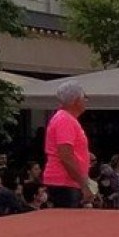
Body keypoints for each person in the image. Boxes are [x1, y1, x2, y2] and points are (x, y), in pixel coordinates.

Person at [41, 81, 93, 209]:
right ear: (76, 100)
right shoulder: (65, 120)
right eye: (84, 97)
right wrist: (83, 185)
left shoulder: (65, 119)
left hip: (66, 181)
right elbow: (66, 155)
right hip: (64, 182)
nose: (86, 101)